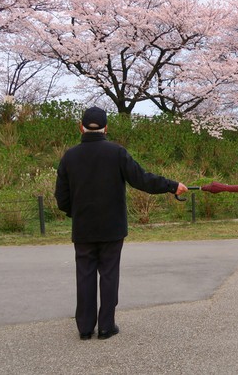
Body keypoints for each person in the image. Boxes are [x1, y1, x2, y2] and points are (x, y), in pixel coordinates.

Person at [55, 106, 188, 340]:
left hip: (83, 228)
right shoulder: (116, 153)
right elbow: (142, 179)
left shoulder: (69, 156)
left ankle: (85, 328)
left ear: (81, 127)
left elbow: (62, 198)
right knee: (109, 274)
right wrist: (171, 185)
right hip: (112, 227)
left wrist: (75, 213)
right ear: (106, 128)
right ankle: (106, 326)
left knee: (84, 275)